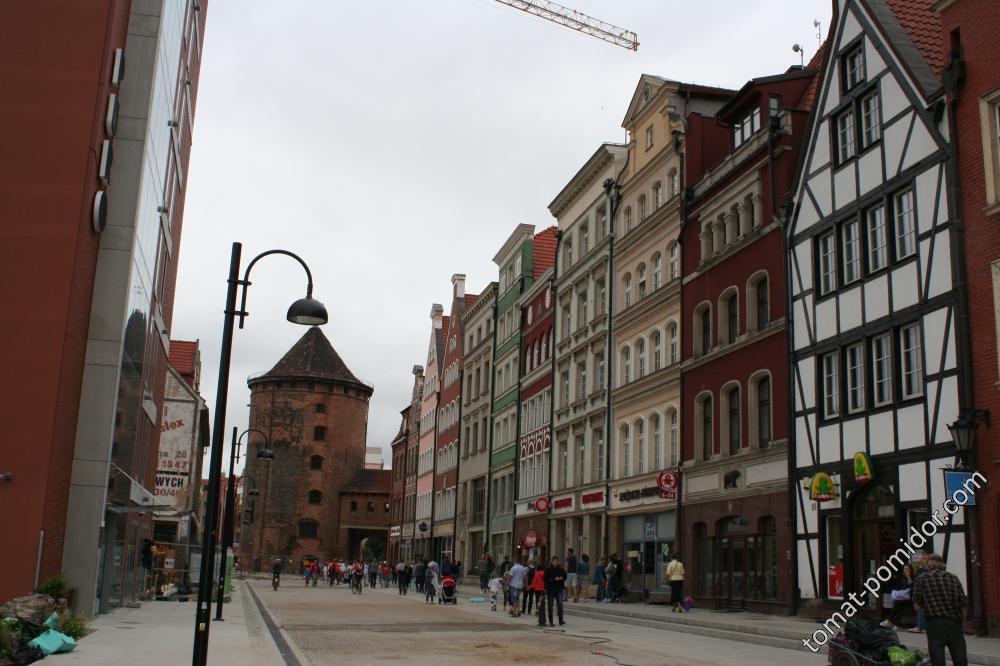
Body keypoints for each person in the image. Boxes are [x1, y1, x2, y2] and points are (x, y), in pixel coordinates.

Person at [913, 553, 968, 666]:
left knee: (937, 657)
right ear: (942, 564)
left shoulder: (921, 578)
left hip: (934, 623)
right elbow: (963, 604)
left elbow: (917, 606)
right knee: (960, 657)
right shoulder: (953, 578)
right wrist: (962, 623)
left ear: (928, 564)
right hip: (954, 622)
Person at [882, 564, 916, 629]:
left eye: (907, 569)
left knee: (898, 603)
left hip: (912, 599)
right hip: (904, 598)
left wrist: (909, 577)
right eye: (905, 569)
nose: (906, 570)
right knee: (899, 605)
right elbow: (900, 588)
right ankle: (896, 625)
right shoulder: (902, 578)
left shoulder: (913, 577)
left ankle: (889, 620)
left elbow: (912, 588)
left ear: (911, 570)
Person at [543, 556, 567, 627]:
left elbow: (565, 576)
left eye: (557, 561)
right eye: (555, 561)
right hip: (551, 589)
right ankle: (551, 621)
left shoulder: (561, 569)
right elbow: (545, 578)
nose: (556, 563)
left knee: (560, 604)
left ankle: (561, 621)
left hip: (559, 589)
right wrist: (554, 579)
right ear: (552, 562)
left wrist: (562, 578)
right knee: (550, 605)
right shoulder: (548, 569)